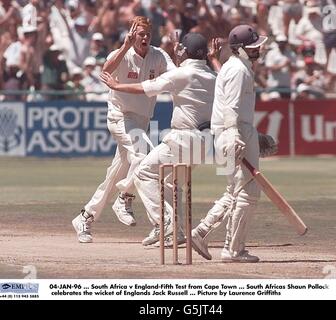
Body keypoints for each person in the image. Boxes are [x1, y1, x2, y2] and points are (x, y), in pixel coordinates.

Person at [100, 32, 217, 247]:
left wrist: (116, 86)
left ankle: (166, 223)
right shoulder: (212, 76)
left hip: (184, 138)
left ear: (185, 52)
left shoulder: (182, 74)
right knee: (172, 185)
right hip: (206, 143)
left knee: (144, 172)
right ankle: (175, 231)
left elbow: (145, 88)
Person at [72, 16, 175, 243]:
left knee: (116, 175)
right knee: (145, 158)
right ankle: (130, 200)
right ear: (132, 34)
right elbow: (105, 71)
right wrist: (125, 46)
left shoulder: (158, 55)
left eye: (148, 33)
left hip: (142, 122)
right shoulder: (122, 53)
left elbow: (175, 75)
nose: (145, 37)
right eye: (141, 33)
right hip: (120, 117)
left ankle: (85, 217)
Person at [191, 24, 268, 263]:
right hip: (232, 132)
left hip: (233, 131)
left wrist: (256, 137)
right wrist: (235, 134)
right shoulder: (238, 70)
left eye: (258, 46)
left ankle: (201, 232)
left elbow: (236, 107)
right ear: (240, 49)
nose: (258, 51)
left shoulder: (236, 67)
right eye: (253, 47)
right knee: (248, 194)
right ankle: (233, 250)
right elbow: (231, 107)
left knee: (234, 191)